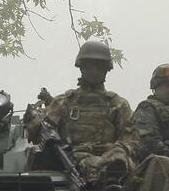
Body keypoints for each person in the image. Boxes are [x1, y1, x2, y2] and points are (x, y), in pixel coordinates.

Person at [25, 40, 138, 181]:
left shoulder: (118, 105)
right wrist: (34, 124)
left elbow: (131, 141)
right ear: (81, 67)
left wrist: (114, 151)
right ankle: (101, 173)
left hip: (112, 159)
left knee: (119, 157)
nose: (94, 70)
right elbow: (41, 134)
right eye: (90, 66)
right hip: (74, 158)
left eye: (99, 66)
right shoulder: (63, 102)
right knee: (89, 162)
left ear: (107, 69)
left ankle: (108, 172)